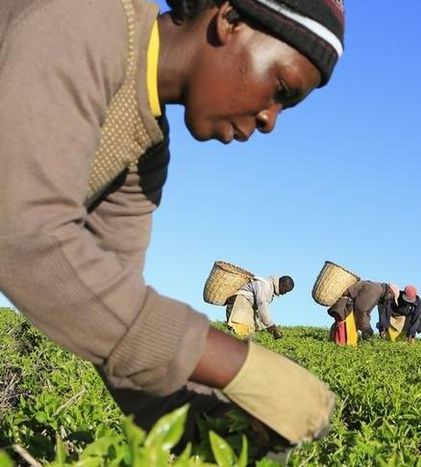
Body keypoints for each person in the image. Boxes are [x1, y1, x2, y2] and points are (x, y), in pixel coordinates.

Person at [0, 0, 344, 454]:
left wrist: (195, 418)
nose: (269, 120)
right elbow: (25, 236)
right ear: (229, 20)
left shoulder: (146, 155)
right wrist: (243, 368)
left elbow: (106, 304)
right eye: (281, 88)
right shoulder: (83, 17)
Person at [327, 281, 398, 345]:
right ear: (390, 292)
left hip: (347, 309)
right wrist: (367, 330)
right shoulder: (375, 290)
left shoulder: (376, 288)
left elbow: (364, 311)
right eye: (392, 297)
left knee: (342, 340)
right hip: (347, 310)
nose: (390, 300)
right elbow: (362, 310)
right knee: (346, 343)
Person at [225, 275, 293, 340]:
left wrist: (266, 325)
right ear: (282, 284)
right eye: (285, 290)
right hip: (240, 304)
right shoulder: (265, 286)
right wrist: (270, 325)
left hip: (246, 307)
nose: (285, 293)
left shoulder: (270, 290)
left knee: (246, 335)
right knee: (239, 334)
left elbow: (260, 309)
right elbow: (262, 306)